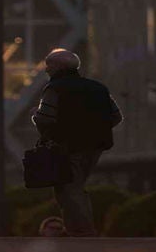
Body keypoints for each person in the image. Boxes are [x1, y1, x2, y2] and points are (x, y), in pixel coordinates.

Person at [30, 49, 123, 237]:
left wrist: (35, 117)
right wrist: (96, 129)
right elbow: (116, 117)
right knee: (76, 186)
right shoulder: (98, 88)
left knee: (69, 189)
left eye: (49, 66)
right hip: (96, 146)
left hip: (66, 146)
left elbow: (45, 118)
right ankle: (77, 230)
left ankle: (83, 232)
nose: (46, 70)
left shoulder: (54, 88)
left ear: (57, 67)